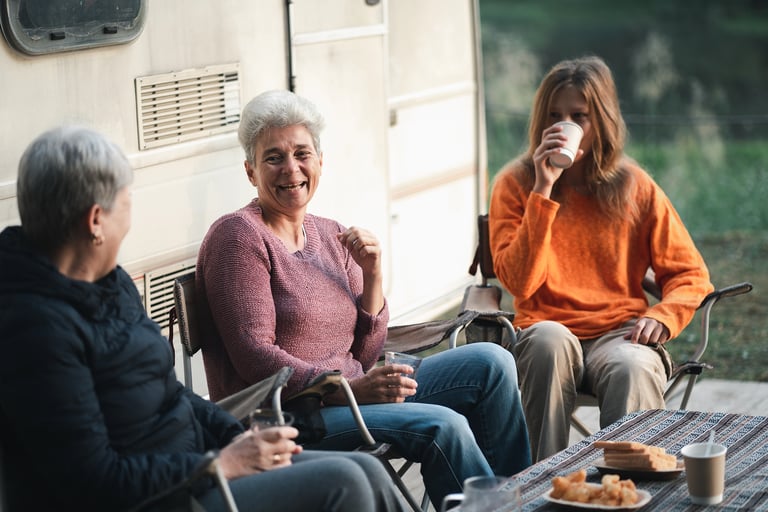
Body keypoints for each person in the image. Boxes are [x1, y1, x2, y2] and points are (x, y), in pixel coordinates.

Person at [0, 125, 406, 512]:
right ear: (95, 221)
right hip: (165, 496)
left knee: (365, 469)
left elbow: (172, 395)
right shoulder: (35, 331)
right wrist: (218, 465)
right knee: (345, 482)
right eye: (126, 203)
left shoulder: (111, 285)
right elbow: (92, 481)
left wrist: (240, 437)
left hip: (197, 467)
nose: (129, 218)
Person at [196, 90, 532, 507]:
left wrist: (373, 277)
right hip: (294, 415)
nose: (291, 169)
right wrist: (346, 389)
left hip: (354, 392)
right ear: (250, 171)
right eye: (273, 158)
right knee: (443, 425)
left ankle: (522, 501)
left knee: (492, 363)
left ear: (320, 161)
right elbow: (254, 355)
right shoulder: (239, 237)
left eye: (302, 153)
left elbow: (368, 352)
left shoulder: (330, 233)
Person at [488, 56, 714, 462]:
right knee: (546, 344)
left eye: (579, 116)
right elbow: (520, 284)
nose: (564, 126)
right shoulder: (514, 184)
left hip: (620, 332)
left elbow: (689, 273)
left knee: (632, 366)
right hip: (547, 327)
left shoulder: (633, 186)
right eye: (553, 115)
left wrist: (662, 316)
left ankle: (630, 490)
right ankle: (539, 486)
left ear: (603, 121)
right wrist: (543, 188)